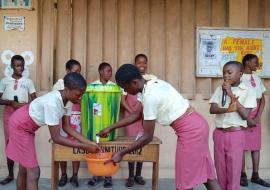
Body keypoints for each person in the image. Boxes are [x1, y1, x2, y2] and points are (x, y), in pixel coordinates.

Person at [99, 64, 221, 190]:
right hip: (197, 124)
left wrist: (121, 153)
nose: (125, 91)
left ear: (134, 83)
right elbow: (136, 115)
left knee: (184, 183)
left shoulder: (150, 96)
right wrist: (111, 127)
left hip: (190, 132)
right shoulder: (151, 82)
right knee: (207, 176)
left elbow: (147, 137)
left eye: (125, 87)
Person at [5, 72, 100, 190]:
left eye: (82, 95)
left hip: (27, 125)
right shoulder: (53, 103)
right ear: (67, 89)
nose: (80, 98)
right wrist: (85, 147)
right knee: (34, 171)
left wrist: (88, 142)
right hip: (20, 125)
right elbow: (57, 138)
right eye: (78, 95)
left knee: (24, 168)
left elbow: (67, 127)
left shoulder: (68, 100)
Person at [209, 61, 257, 190]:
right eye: (224, 72)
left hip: (235, 134)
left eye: (229, 72)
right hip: (219, 133)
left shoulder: (248, 91)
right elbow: (213, 109)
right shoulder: (220, 89)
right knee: (220, 170)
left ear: (240, 74)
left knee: (234, 171)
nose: (226, 75)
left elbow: (245, 116)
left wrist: (231, 94)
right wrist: (227, 110)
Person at [0, 55, 36, 185]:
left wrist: (25, 107)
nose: (19, 68)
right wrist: (10, 102)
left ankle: (24, 172)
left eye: (21, 65)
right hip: (9, 113)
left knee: (23, 143)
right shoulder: (4, 81)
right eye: (16, 65)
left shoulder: (28, 82)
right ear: (11, 66)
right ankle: (10, 174)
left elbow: (34, 99)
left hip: (23, 114)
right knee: (9, 143)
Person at [122, 54, 156, 187]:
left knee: (142, 143)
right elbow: (122, 100)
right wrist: (132, 113)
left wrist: (142, 114)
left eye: (144, 63)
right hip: (131, 118)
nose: (142, 65)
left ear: (147, 64)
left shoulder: (151, 79)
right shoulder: (129, 79)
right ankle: (130, 176)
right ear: (134, 64)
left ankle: (138, 174)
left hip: (146, 117)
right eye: (139, 63)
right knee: (131, 144)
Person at [240, 54, 270, 187]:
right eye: (255, 62)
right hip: (242, 114)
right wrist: (246, 117)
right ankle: (242, 174)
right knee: (241, 146)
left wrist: (258, 117)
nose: (257, 65)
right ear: (247, 62)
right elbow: (237, 100)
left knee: (255, 146)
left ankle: (255, 175)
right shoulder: (239, 77)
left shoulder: (257, 78)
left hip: (256, 114)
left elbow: (262, 98)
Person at [52, 59, 82, 187]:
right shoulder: (59, 84)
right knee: (62, 146)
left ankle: (75, 176)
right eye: (75, 71)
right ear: (67, 71)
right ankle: (63, 174)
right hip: (62, 118)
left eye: (79, 72)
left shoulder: (80, 83)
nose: (78, 74)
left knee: (76, 145)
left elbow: (81, 100)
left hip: (76, 117)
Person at [88, 62, 114, 188]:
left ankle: (108, 176)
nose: (110, 73)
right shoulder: (92, 86)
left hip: (108, 121)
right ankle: (95, 175)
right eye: (108, 71)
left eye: (110, 71)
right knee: (95, 147)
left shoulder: (114, 87)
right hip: (95, 122)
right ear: (100, 71)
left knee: (108, 148)